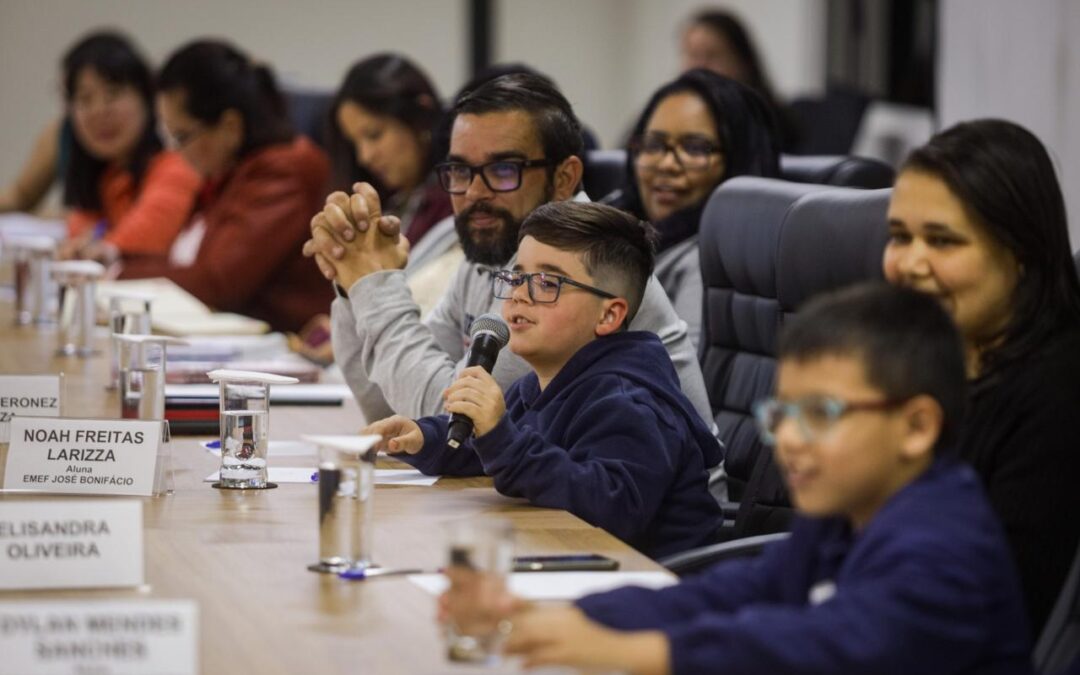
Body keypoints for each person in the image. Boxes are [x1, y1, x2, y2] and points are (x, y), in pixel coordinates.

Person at [442, 283, 1033, 674]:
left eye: (821, 415)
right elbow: (736, 592)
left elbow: (822, 646)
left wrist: (636, 651)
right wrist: (571, 618)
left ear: (916, 426)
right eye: (783, 415)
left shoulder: (945, 550)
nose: (791, 441)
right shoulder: (846, 519)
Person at [305, 72, 714, 430]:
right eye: (461, 171)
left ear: (564, 178)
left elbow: (453, 426)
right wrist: (353, 283)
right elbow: (390, 408)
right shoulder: (489, 251)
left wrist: (375, 286)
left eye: (503, 170)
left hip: (638, 512)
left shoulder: (573, 264)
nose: (475, 193)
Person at [364, 202, 722, 559]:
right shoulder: (540, 386)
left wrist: (502, 437)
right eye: (516, 277)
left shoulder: (630, 402)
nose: (520, 294)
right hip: (579, 566)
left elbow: (610, 509)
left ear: (609, 314)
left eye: (547, 283)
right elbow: (487, 454)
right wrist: (425, 437)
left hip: (661, 587)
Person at [884, 118, 1080, 634]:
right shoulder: (916, 361)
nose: (911, 263)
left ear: (1020, 255)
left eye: (943, 241)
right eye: (899, 236)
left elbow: (998, 606)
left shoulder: (1058, 396)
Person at [119, 40, 332, 333]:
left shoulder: (284, 170)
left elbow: (216, 282)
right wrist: (116, 260)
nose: (175, 153)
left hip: (289, 350)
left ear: (230, 126)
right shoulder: (231, 172)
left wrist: (115, 273)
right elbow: (189, 261)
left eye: (181, 137)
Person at [607, 68, 780, 345]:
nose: (666, 164)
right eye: (653, 145)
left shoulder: (707, 262)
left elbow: (681, 379)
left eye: (695, 148)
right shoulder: (617, 229)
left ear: (739, 162)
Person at [60, 32, 201, 266]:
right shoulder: (103, 178)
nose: (99, 112)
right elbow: (79, 242)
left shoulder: (176, 168)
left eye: (113, 94)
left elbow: (130, 250)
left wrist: (88, 252)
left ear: (147, 98)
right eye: (85, 99)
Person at [680, 8, 799, 150]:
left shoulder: (767, 123)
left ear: (742, 62)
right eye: (693, 55)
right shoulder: (673, 116)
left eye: (712, 55)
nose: (699, 67)